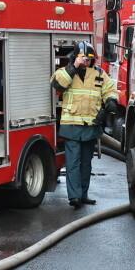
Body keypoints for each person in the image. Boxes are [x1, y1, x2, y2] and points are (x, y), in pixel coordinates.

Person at [51, 41, 116, 208]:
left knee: (86, 163)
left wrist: (111, 101)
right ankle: (74, 196)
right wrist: (74, 66)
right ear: (76, 57)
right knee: (73, 163)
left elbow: (110, 89)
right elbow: (57, 84)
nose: (86, 62)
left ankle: (83, 194)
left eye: (89, 59)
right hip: (71, 126)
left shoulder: (99, 74)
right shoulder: (65, 72)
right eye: (84, 59)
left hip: (91, 126)